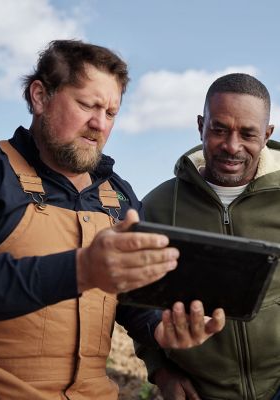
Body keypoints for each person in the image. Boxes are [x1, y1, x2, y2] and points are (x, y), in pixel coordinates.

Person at [0, 40, 225, 400]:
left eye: (111, 113)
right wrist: (82, 269)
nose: (99, 124)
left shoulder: (119, 195)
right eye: (87, 104)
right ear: (39, 96)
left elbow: (132, 301)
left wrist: (160, 330)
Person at [136, 73, 280, 400]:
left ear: (267, 134)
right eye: (219, 129)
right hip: (201, 392)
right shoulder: (157, 207)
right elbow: (139, 304)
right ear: (201, 125)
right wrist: (161, 370)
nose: (232, 146)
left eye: (247, 133)